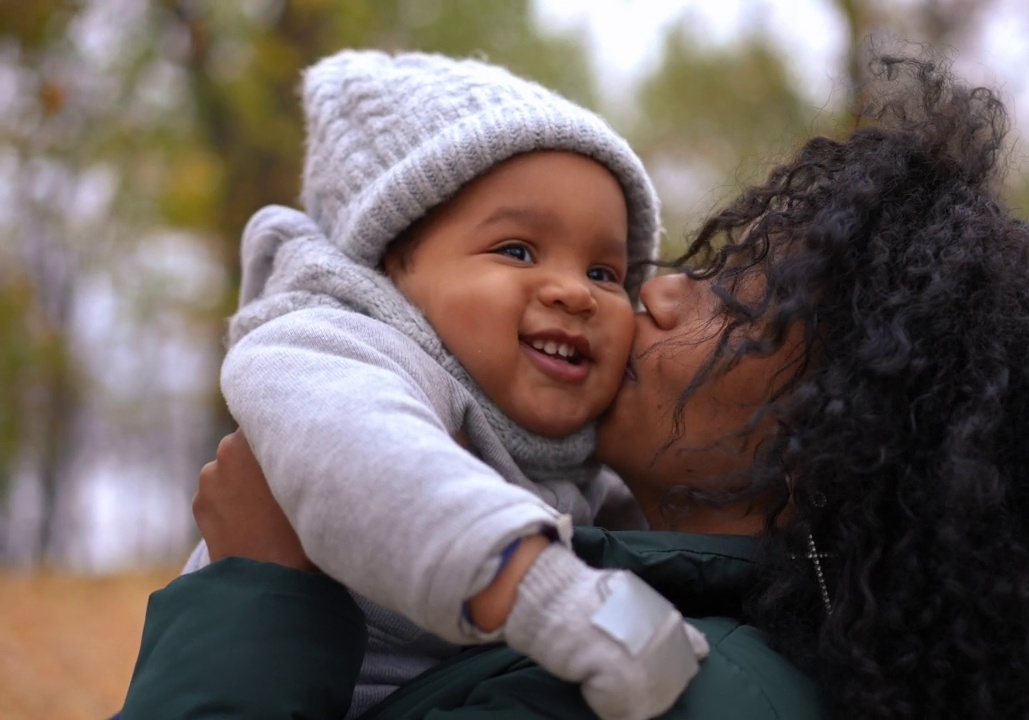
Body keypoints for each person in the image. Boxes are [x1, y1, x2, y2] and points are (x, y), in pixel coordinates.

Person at [124, 55, 1029, 719]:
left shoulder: (630, 682)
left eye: (732, 306)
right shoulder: (711, 626)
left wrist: (260, 593)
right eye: (516, 252)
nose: (648, 299)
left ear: (834, 445)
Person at [182, 49, 706, 720]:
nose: (576, 293)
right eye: (517, 250)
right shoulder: (327, 346)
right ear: (395, 263)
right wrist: (552, 597)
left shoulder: (578, 450)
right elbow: (366, 460)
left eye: (606, 272)